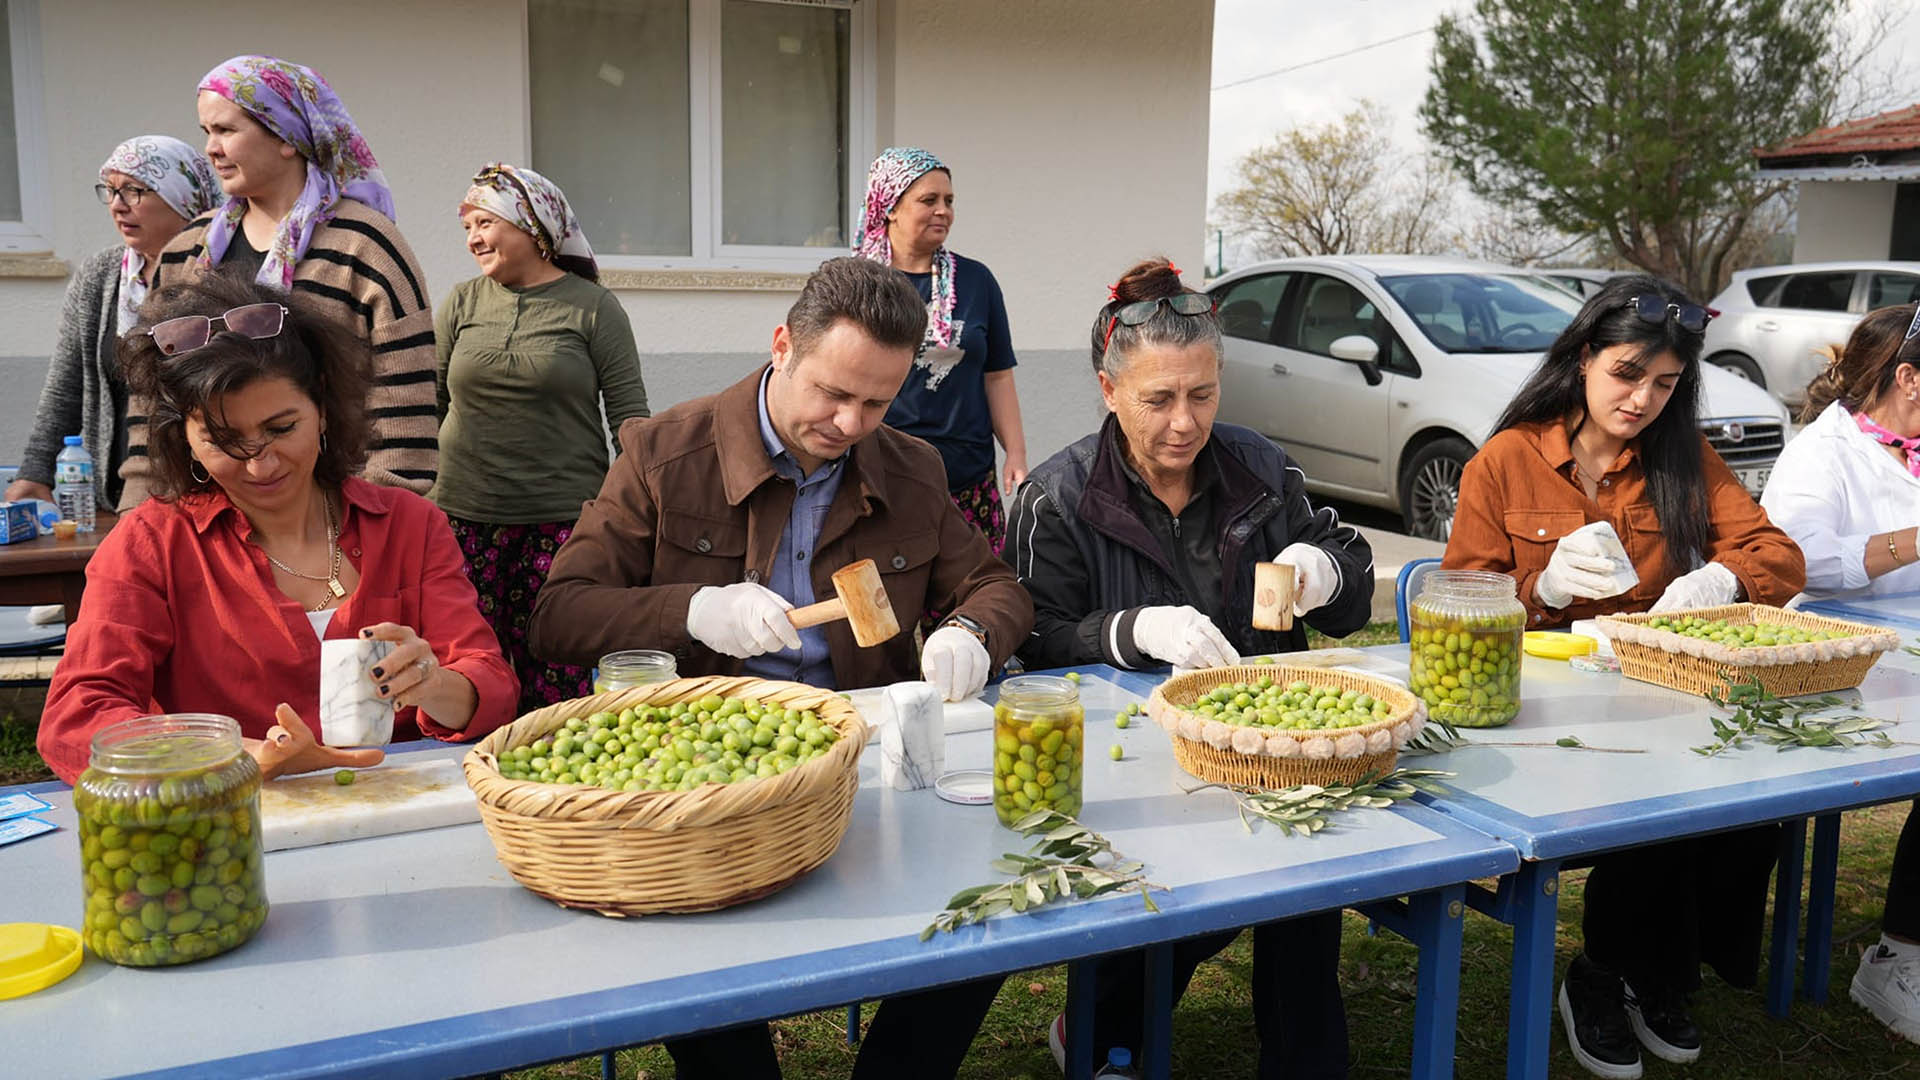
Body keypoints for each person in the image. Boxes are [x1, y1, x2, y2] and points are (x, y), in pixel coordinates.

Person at [528, 256, 1033, 1080]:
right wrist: (692, 609)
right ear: (781, 348)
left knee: (985, 916)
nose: (849, 422)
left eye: (876, 401)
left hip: (861, 770)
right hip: (703, 783)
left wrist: (973, 632)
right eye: (832, 393)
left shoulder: (910, 469)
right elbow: (560, 611)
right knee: (702, 963)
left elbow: (995, 584)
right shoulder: (664, 453)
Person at [1004, 256, 1374, 1078]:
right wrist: (1131, 630)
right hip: (1131, 767)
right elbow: (1031, 640)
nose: (1184, 422)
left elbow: (1350, 584)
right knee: (1190, 906)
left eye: (1202, 395)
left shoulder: (1260, 472)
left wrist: (1324, 569)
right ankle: (1106, 1032)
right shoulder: (1059, 499)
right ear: (1108, 390)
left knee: (1306, 892)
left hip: (1274, 750)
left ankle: (1304, 1060)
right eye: (1158, 399)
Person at [1445, 275, 1805, 1079]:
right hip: (1540, 712)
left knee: (1754, 803)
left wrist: (1723, 580)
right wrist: (1540, 591)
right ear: (1582, 360)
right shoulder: (1507, 459)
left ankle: (1648, 969)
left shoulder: (1683, 458)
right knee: (1655, 801)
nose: (1642, 399)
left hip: (1660, 695)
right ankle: (1606, 974)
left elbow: (1780, 553)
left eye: (1666, 384)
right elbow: (1459, 600)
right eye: (1627, 374)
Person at [37, 272, 518, 786]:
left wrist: (433, 682)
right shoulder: (150, 543)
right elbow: (77, 717)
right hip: (230, 824)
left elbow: (489, 684)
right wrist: (230, 756)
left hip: (402, 811)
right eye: (223, 441)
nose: (260, 465)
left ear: (325, 409)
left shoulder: (410, 524)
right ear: (184, 440)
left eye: (281, 429)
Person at [119, 55, 439, 507]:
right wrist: (140, 509)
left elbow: (406, 410)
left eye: (226, 130)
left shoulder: (364, 246)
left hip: (337, 522)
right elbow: (151, 402)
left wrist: (375, 521)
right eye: (206, 132)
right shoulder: (186, 252)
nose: (211, 148)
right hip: (207, 524)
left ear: (287, 137)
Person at [432, 163, 650, 713]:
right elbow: (429, 406)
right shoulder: (461, 303)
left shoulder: (594, 308)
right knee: (473, 667)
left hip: (561, 524)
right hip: (464, 520)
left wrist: (635, 519)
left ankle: (556, 790)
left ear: (530, 226)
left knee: (558, 673)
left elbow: (630, 423)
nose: (473, 239)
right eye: (467, 228)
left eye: (485, 223)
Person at [1759, 303, 1920, 1042]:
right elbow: (1800, 558)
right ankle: (1897, 959)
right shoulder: (1823, 453)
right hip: (1842, 669)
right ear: (1909, 380)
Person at [6, 136, 222, 509]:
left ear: (182, 197)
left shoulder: (220, 272)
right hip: (115, 498)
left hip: (203, 495)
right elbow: (65, 384)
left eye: (134, 191)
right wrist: (34, 473)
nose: (118, 206)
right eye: (110, 191)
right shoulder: (101, 275)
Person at [854, 147, 1027, 554]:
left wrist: (1015, 452)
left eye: (949, 201)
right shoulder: (859, 284)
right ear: (890, 207)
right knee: (888, 607)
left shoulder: (976, 280)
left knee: (973, 601)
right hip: (883, 477)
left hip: (968, 480)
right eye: (928, 200)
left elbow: (998, 374)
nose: (943, 211)